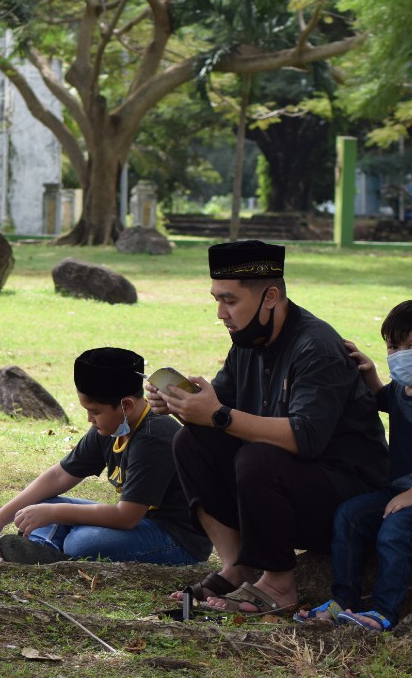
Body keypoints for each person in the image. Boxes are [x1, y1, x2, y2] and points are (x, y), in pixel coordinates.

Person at [152, 240, 388, 614]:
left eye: (229, 301)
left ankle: (279, 586)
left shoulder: (317, 347)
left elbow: (305, 438)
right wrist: (183, 407)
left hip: (349, 501)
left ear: (271, 296)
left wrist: (217, 415)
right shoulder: (246, 343)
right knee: (190, 441)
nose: (219, 313)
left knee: (258, 457)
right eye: (216, 299)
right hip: (289, 492)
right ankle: (239, 567)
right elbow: (217, 413)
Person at [0, 347, 212, 566]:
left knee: (82, 542)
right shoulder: (112, 426)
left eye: (95, 412)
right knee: (41, 503)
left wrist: (54, 513)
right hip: (136, 523)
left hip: (175, 539)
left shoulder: (154, 436)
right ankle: (43, 549)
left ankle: (53, 548)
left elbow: (127, 517)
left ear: (127, 405)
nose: (90, 419)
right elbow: (58, 476)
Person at [296, 300, 412, 632]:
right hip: (397, 491)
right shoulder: (403, 390)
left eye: (410, 347)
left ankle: (384, 612)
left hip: (407, 498)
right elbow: (383, 399)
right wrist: (371, 373)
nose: (401, 354)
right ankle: (343, 601)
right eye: (394, 346)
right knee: (349, 516)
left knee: (393, 531)